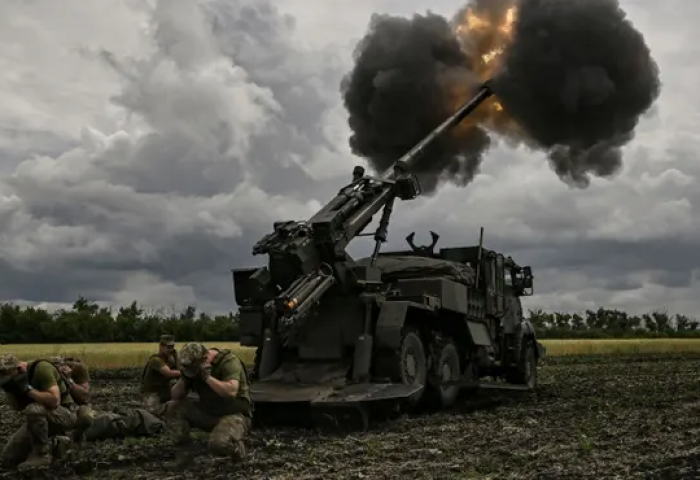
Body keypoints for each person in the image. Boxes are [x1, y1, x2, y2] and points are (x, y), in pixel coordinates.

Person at [164, 343, 253, 461]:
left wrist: (207, 378)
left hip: (234, 414)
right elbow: (175, 395)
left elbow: (231, 391)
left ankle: (236, 448)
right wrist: (185, 379)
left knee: (218, 444)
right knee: (173, 407)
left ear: (205, 359)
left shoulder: (228, 361)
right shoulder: (191, 369)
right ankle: (185, 452)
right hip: (209, 411)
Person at [0, 353, 75, 470]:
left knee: (33, 409)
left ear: (19, 369)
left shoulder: (41, 368)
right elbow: (17, 408)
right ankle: (57, 443)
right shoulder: (14, 380)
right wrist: (10, 389)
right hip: (40, 418)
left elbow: (55, 401)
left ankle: (42, 454)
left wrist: (27, 389)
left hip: (65, 414)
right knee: (8, 458)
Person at [48, 356, 94, 442]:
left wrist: (68, 379)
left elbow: (85, 396)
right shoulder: (46, 373)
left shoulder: (77, 368)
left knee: (86, 417)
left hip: (78, 405)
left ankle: (75, 435)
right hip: (59, 407)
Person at [140, 334, 181, 416]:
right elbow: (168, 373)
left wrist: (177, 357)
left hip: (164, 393)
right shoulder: (155, 360)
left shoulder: (170, 359)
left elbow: (178, 370)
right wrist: (186, 372)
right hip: (151, 395)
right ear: (161, 346)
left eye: (173, 347)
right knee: (153, 416)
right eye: (168, 347)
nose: (171, 349)